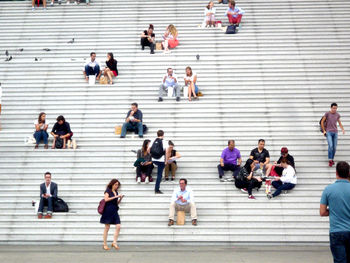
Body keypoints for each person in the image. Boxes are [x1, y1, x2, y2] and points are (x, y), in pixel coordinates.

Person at [320, 161, 350, 263]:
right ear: (348, 173)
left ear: (336, 173)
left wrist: (333, 210)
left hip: (336, 231)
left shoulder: (328, 189)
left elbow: (322, 212)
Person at [100, 179, 124, 250]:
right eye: (116, 184)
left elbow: (116, 203)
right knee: (107, 228)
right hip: (108, 211)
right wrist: (116, 197)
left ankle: (114, 242)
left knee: (118, 226)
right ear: (112, 184)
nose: (117, 186)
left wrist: (120, 199)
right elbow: (106, 199)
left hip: (114, 210)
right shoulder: (107, 191)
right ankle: (104, 244)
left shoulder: (116, 192)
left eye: (118, 185)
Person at [321, 103, 345, 167]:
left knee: (334, 147)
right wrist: (324, 131)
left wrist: (342, 129)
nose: (334, 109)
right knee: (330, 146)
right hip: (328, 132)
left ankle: (332, 159)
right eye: (333, 108)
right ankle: (330, 160)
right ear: (331, 108)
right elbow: (322, 122)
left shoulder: (337, 115)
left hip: (335, 132)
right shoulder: (327, 114)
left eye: (336, 108)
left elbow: (339, 123)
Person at [149, 130, 167, 194]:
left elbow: (149, 149)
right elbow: (166, 151)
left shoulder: (153, 140)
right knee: (159, 175)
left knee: (159, 174)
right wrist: (166, 160)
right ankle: (157, 189)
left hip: (154, 159)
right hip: (161, 160)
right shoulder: (164, 141)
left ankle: (156, 189)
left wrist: (151, 156)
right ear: (163, 134)